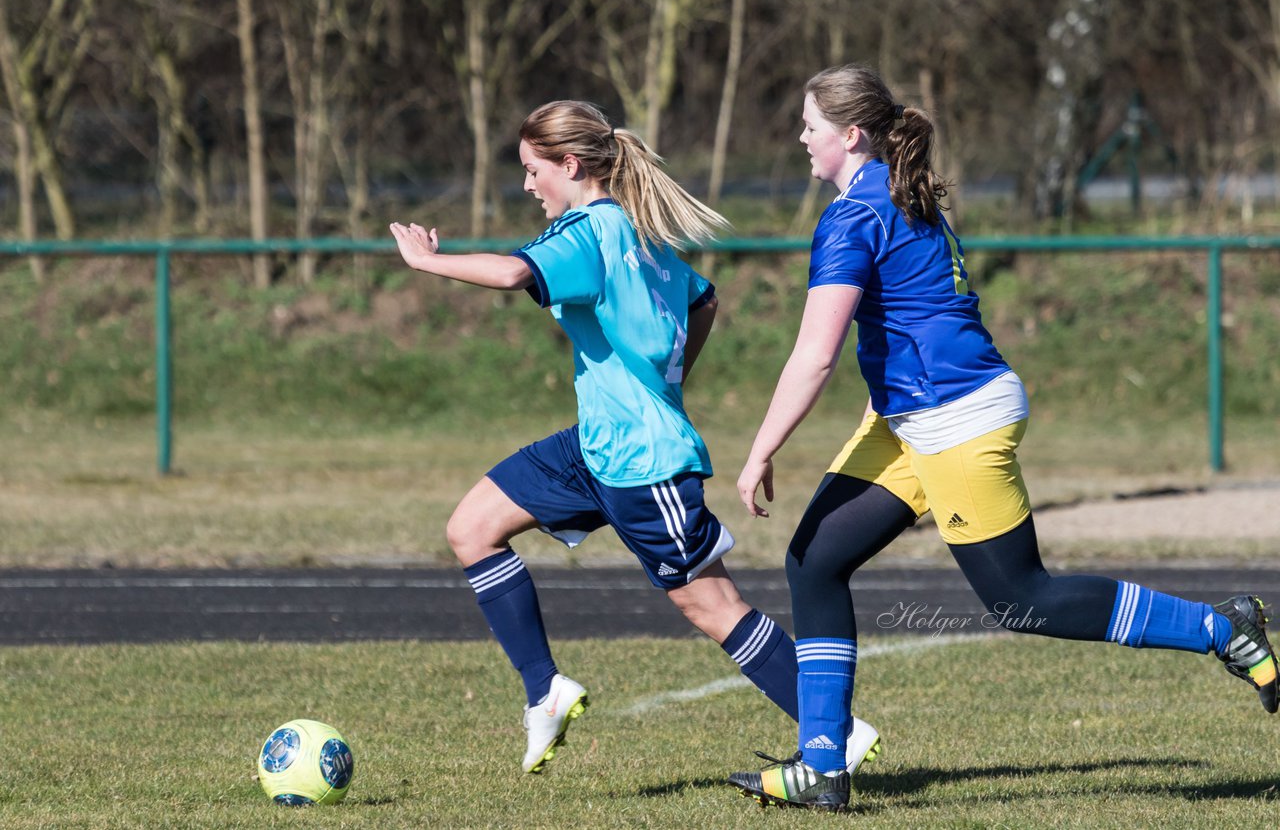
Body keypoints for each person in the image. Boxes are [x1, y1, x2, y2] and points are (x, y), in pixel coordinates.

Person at [726, 65, 1279, 813]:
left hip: (954, 420)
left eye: (810, 126)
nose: (800, 138)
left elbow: (816, 354)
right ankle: (822, 768)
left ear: (849, 135)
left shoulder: (858, 213)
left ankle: (1225, 630)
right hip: (910, 418)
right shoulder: (894, 192)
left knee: (1024, 600)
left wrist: (761, 449)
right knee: (815, 561)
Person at [389, 100, 883, 777]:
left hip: (642, 463)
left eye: (534, 171)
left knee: (714, 607)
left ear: (570, 165)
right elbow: (703, 299)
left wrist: (426, 263)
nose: (528, 185)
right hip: (598, 445)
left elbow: (511, 273)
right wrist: (665, 382)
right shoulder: (634, 229)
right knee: (472, 527)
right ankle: (546, 692)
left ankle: (837, 730)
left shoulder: (588, 232)